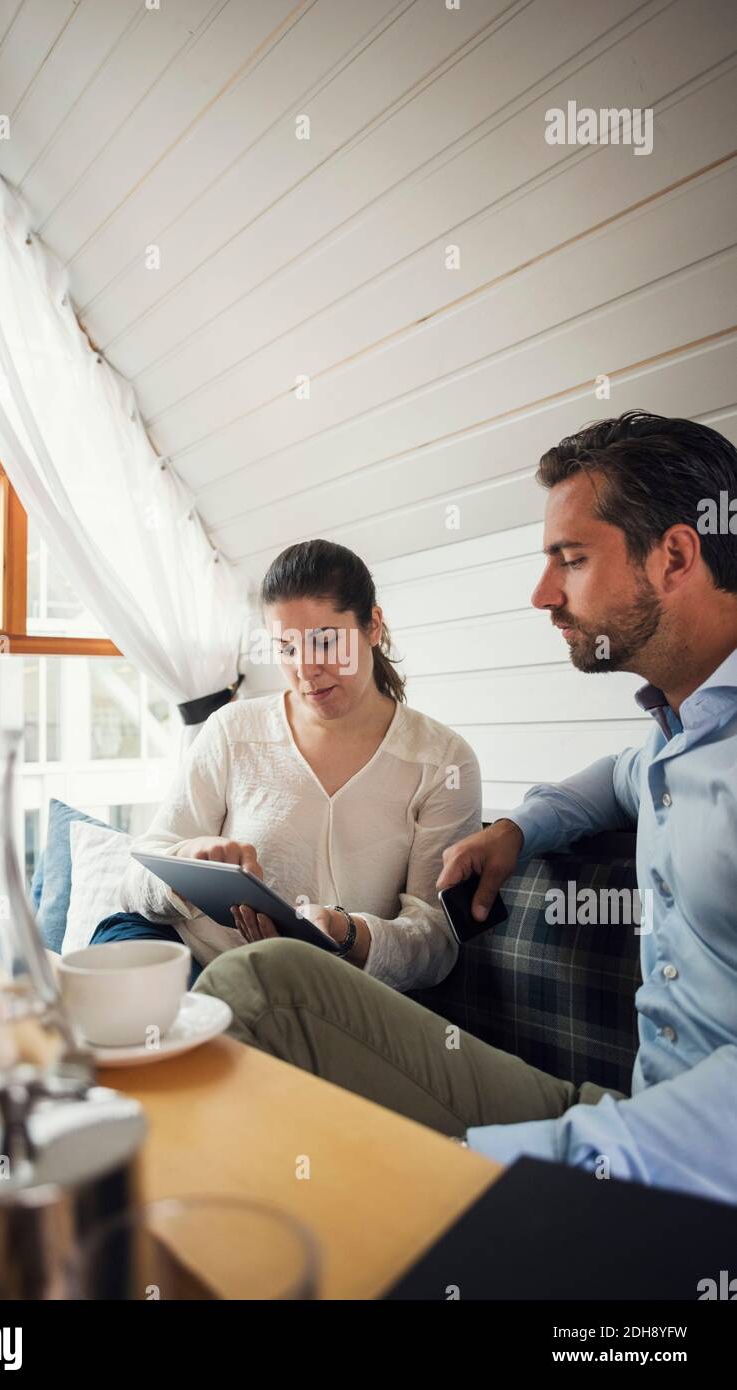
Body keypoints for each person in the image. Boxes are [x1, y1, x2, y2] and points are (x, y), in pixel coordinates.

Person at [193, 411, 737, 1205]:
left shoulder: (437, 758)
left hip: (665, 1177)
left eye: (571, 560)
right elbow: (625, 776)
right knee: (266, 982)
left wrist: (467, 1167)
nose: (542, 594)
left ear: (676, 555)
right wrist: (524, 825)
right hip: (622, 1111)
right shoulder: (681, 732)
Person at [104, 539, 482, 993]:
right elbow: (131, 885)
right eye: (285, 648)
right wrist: (184, 861)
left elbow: (436, 944)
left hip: (305, 992)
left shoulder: (441, 761)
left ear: (373, 626)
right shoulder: (232, 729)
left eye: (324, 642)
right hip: (176, 953)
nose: (305, 669)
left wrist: (347, 934)